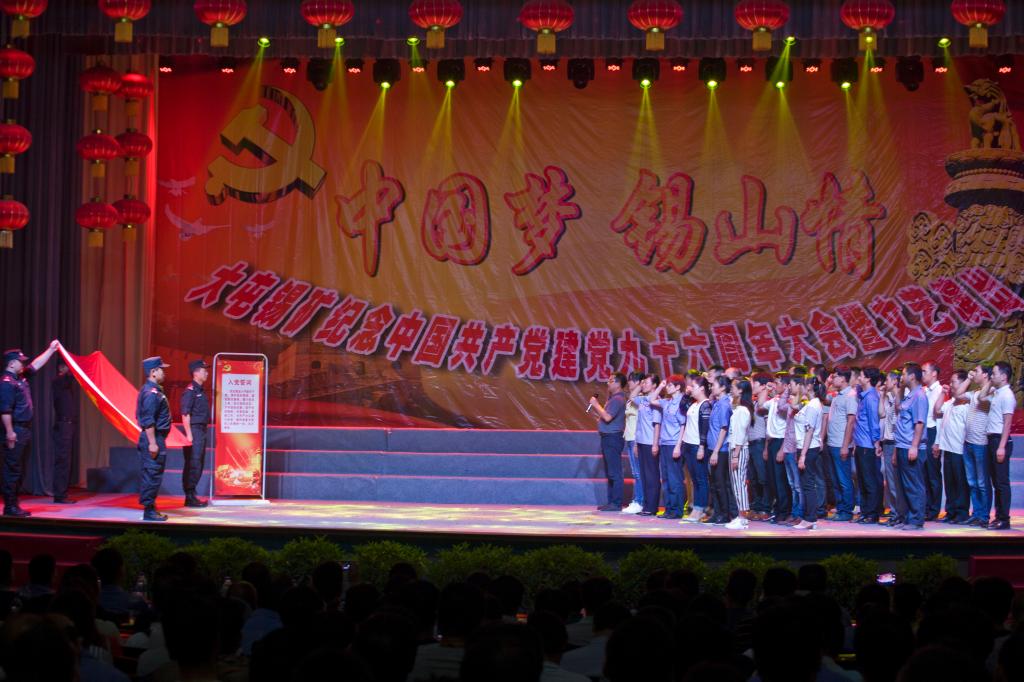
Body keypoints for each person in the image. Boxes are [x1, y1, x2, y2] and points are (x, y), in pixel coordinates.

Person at [0, 342, 59, 517]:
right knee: (12, 469)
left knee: (18, 468)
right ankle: (10, 507)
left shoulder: (19, 377)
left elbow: (36, 365)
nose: (23, 364)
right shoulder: (7, 383)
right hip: (15, 430)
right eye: (21, 362)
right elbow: (5, 411)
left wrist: (51, 349)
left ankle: (13, 505)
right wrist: (10, 433)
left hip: (23, 429)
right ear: (12, 363)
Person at [893, 363, 929, 530]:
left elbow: (919, 423)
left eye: (904, 374)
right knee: (904, 485)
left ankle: (916, 520)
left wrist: (914, 446)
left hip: (911, 446)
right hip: (902, 445)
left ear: (912, 376)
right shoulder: (909, 395)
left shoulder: (919, 396)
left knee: (914, 484)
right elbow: (898, 407)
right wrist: (900, 388)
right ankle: (907, 517)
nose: (901, 377)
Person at [137, 356, 172, 522]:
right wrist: (152, 443)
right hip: (153, 438)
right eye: (161, 369)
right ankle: (149, 511)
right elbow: (148, 420)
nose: (164, 372)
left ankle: (151, 507)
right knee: (152, 473)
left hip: (157, 437)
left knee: (154, 473)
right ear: (153, 372)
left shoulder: (154, 391)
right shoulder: (150, 393)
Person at [983, 361, 1016, 530]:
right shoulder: (996, 392)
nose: (991, 376)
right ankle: (998, 516)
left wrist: (1001, 446)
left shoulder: (1007, 395)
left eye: (994, 373)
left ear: (1003, 376)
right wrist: (990, 382)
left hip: (1000, 440)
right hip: (992, 440)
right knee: (995, 481)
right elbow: (981, 397)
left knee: (1002, 482)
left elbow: (1007, 423)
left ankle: (1004, 518)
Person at [934, 370, 970, 524]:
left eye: (953, 382)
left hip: (959, 450)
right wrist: (943, 393)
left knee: (960, 483)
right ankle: (951, 512)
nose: (951, 384)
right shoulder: (950, 403)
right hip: (947, 449)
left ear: (962, 384)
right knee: (949, 483)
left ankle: (961, 513)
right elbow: (937, 410)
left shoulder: (967, 405)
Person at [589, 373, 627, 512]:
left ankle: (616, 503)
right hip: (608, 437)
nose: (608, 383)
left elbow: (607, 417)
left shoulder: (618, 399)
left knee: (615, 472)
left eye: (611, 381)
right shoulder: (613, 398)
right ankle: (612, 502)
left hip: (612, 438)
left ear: (618, 383)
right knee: (611, 471)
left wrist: (595, 405)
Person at [824, 366, 857, 522]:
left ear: (843, 378)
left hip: (841, 444)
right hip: (832, 442)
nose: (833, 379)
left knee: (844, 479)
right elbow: (823, 398)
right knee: (835, 479)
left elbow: (851, 421)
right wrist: (827, 382)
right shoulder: (837, 395)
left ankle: (846, 511)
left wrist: (845, 445)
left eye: (835, 376)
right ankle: (840, 508)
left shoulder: (850, 395)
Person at [652, 375, 686, 520]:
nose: (667, 387)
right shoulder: (667, 401)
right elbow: (651, 400)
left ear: (678, 387)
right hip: (664, 443)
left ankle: (677, 510)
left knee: (674, 479)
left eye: (670, 385)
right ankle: (669, 509)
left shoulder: (682, 402)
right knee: (665, 478)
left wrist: (678, 446)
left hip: (674, 444)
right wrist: (660, 386)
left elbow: (683, 425)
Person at [963, 364, 993, 527]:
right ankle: (976, 513)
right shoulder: (974, 393)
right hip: (968, 442)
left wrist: (989, 382)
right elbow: (958, 394)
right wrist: (968, 379)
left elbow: (982, 397)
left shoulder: (992, 392)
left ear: (986, 375)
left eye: (977, 371)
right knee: (972, 482)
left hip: (981, 443)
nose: (973, 373)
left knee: (982, 483)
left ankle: (984, 516)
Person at [853, 367, 883, 524]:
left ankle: (872, 513)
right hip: (860, 444)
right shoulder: (864, 395)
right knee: (862, 480)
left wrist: (876, 442)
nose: (859, 378)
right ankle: (865, 512)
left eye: (861, 376)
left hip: (868, 445)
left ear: (868, 379)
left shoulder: (871, 397)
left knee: (869, 481)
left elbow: (874, 422)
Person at [679, 377, 711, 523]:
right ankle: (696, 509)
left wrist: (702, 447)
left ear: (702, 388)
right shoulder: (693, 404)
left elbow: (705, 428)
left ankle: (700, 509)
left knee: (701, 479)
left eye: (693, 386)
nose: (690, 388)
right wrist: (686, 394)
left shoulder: (705, 405)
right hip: (688, 445)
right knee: (694, 479)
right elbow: (682, 407)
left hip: (697, 446)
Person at [180, 359, 211, 508]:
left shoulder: (200, 390)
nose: (207, 373)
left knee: (198, 463)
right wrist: (189, 435)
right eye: (204, 370)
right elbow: (185, 414)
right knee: (193, 463)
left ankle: (192, 494)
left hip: (200, 430)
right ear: (196, 373)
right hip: (194, 430)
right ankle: (190, 496)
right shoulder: (190, 390)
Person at [794, 379, 824, 530]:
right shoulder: (811, 404)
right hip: (807, 447)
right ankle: (808, 517)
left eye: (803, 385)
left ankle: (810, 518)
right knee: (806, 484)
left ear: (810, 386)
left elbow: (809, 431)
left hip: (808, 449)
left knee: (808, 484)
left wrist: (803, 455)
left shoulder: (813, 406)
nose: (801, 388)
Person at [630, 374, 662, 517]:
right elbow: (632, 397)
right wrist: (636, 443)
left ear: (654, 385)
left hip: (650, 442)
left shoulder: (656, 401)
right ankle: (646, 505)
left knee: (651, 476)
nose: (643, 385)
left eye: (646, 382)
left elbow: (657, 424)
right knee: (644, 475)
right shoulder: (643, 399)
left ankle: (652, 507)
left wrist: (655, 444)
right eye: (643, 382)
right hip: (641, 441)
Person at [706, 376, 736, 526]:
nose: (711, 387)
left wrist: (716, 451)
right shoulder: (717, 403)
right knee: (714, 484)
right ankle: (717, 513)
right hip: (712, 447)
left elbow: (724, 429)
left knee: (720, 483)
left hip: (720, 450)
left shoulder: (724, 404)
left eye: (714, 385)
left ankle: (725, 514)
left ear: (723, 387)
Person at [726, 379, 753, 530]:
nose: (731, 389)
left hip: (739, 450)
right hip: (734, 448)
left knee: (739, 484)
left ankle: (743, 518)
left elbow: (741, 434)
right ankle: (740, 516)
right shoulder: (738, 408)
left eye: (733, 387)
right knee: (736, 484)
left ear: (741, 390)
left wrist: (736, 455)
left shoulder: (743, 410)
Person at [51, 360, 79, 504]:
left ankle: (62, 493)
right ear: (61, 368)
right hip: (63, 426)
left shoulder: (66, 384)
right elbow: (71, 376)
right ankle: (59, 495)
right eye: (68, 366)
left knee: (66, 461)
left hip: (68, 426)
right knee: (63, 461)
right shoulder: (58, 381)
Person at [879, 369, 904, 527]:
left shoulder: (900, 399)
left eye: (887, 380)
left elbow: (898, 425)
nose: (885, 383)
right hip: (887, 442)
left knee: (894, 481)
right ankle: (895, 512)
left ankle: (898, 514)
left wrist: (895, 450)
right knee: (889, 480)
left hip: (895, 443)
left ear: (895, 381)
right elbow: (881, 414)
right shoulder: (889, 398)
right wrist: (882, 396)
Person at [921, 361, 945, 521]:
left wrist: (937, 442)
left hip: (933, 432)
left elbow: (940, 418)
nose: (922, 374)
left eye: (924, 371)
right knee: (924, 472)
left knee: (933, 473)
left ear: (934, 373)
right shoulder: (924, 390)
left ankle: (934, 509)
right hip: (923, 432)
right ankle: (926, 506)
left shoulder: (940, 390)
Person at [747, 373, 772, 521]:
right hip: (751, 443)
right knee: (753, 478)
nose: (751, 386)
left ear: (763, 386)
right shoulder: (755, 402)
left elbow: (769, 427)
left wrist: (766, 448)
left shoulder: (767, 403)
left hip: (760, 443)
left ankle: (765, 507)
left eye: (753, 383)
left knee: (763, 478)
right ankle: (756, 506)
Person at [621, 372, 645, 515]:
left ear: (638, 382)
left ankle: (639, 501)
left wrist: (640, 386)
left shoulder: (640, 398)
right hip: (629, 438)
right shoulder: (632, 399)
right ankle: (637, 500)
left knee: (638, 472)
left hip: (636, 439)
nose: (628, 383)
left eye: (631, 381)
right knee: (635, 472)